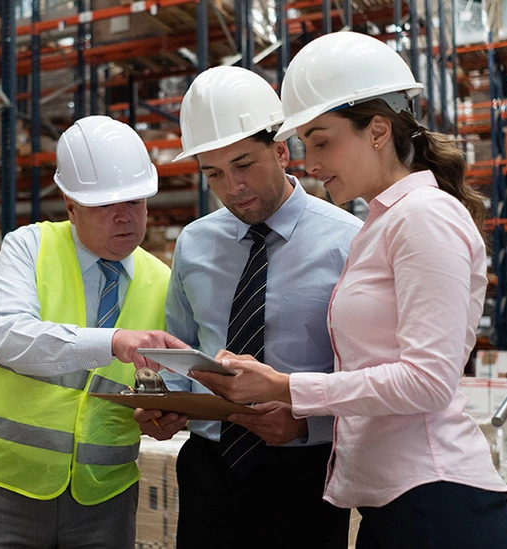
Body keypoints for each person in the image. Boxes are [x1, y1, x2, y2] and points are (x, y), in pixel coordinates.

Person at [192, 32, 507, 549]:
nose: (310, 162)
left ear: (378, 130)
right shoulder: (383, 223)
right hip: (395, 504)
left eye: (321, 140)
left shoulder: (424, 217)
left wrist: (286, 389)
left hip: (435, 500)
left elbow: (429, 381)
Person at [134, 66, 363, 548]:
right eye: (213, 173)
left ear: (281, 151)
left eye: (244, 165)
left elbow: (370, 375)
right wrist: (164, 405)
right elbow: (180, 350)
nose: (232, 187)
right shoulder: (195, 244)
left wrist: (305, 423)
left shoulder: (350, 242)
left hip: (308, 472)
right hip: (210, 468)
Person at [0, 115, 187, 549]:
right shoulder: (30, 247)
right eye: (105, 206)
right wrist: (113, 341)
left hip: (106, 493)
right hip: (6, 486)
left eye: (135, 203)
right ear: (70, 205)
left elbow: (150, 382)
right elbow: (9, 334)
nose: (124, 218)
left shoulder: (162, 279)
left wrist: (159, 415)